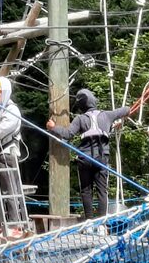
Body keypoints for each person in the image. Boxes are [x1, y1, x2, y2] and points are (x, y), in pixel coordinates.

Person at [47, 88, 130, 219]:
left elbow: (68, 134)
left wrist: (53, 127)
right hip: (101, 159)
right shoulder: (107, 115)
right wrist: (120, 117)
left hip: (85, 158)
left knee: (86, 191)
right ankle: (102, 223)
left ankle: (89, 221)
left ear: (81, 106)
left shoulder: (80, 119)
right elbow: (126, 109)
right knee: (102, 191)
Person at [0, 77, 26, 240]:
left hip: (7, 152)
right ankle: (1, 224)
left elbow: (4, 128)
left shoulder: (11, 109)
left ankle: (15, 225)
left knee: (9, 190)